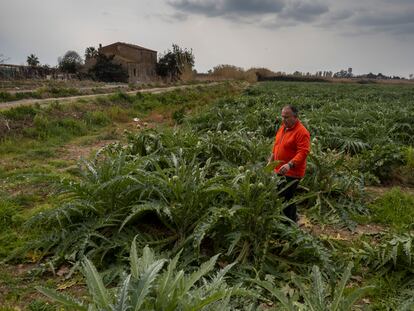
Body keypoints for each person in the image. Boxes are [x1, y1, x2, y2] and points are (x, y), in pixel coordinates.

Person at [268, 105, 310, 222]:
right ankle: (293, 218)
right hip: (279, 169)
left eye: (286, 117)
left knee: (284, 196)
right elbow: (276, 145)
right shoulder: (282, 128)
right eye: (282, 117)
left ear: (295, 117)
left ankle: (288, 224)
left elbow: (303, 152)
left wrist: (289, 164)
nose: (283, 119)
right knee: (287, 197)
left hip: (293, 171)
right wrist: (271, 160)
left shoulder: (302, 132)